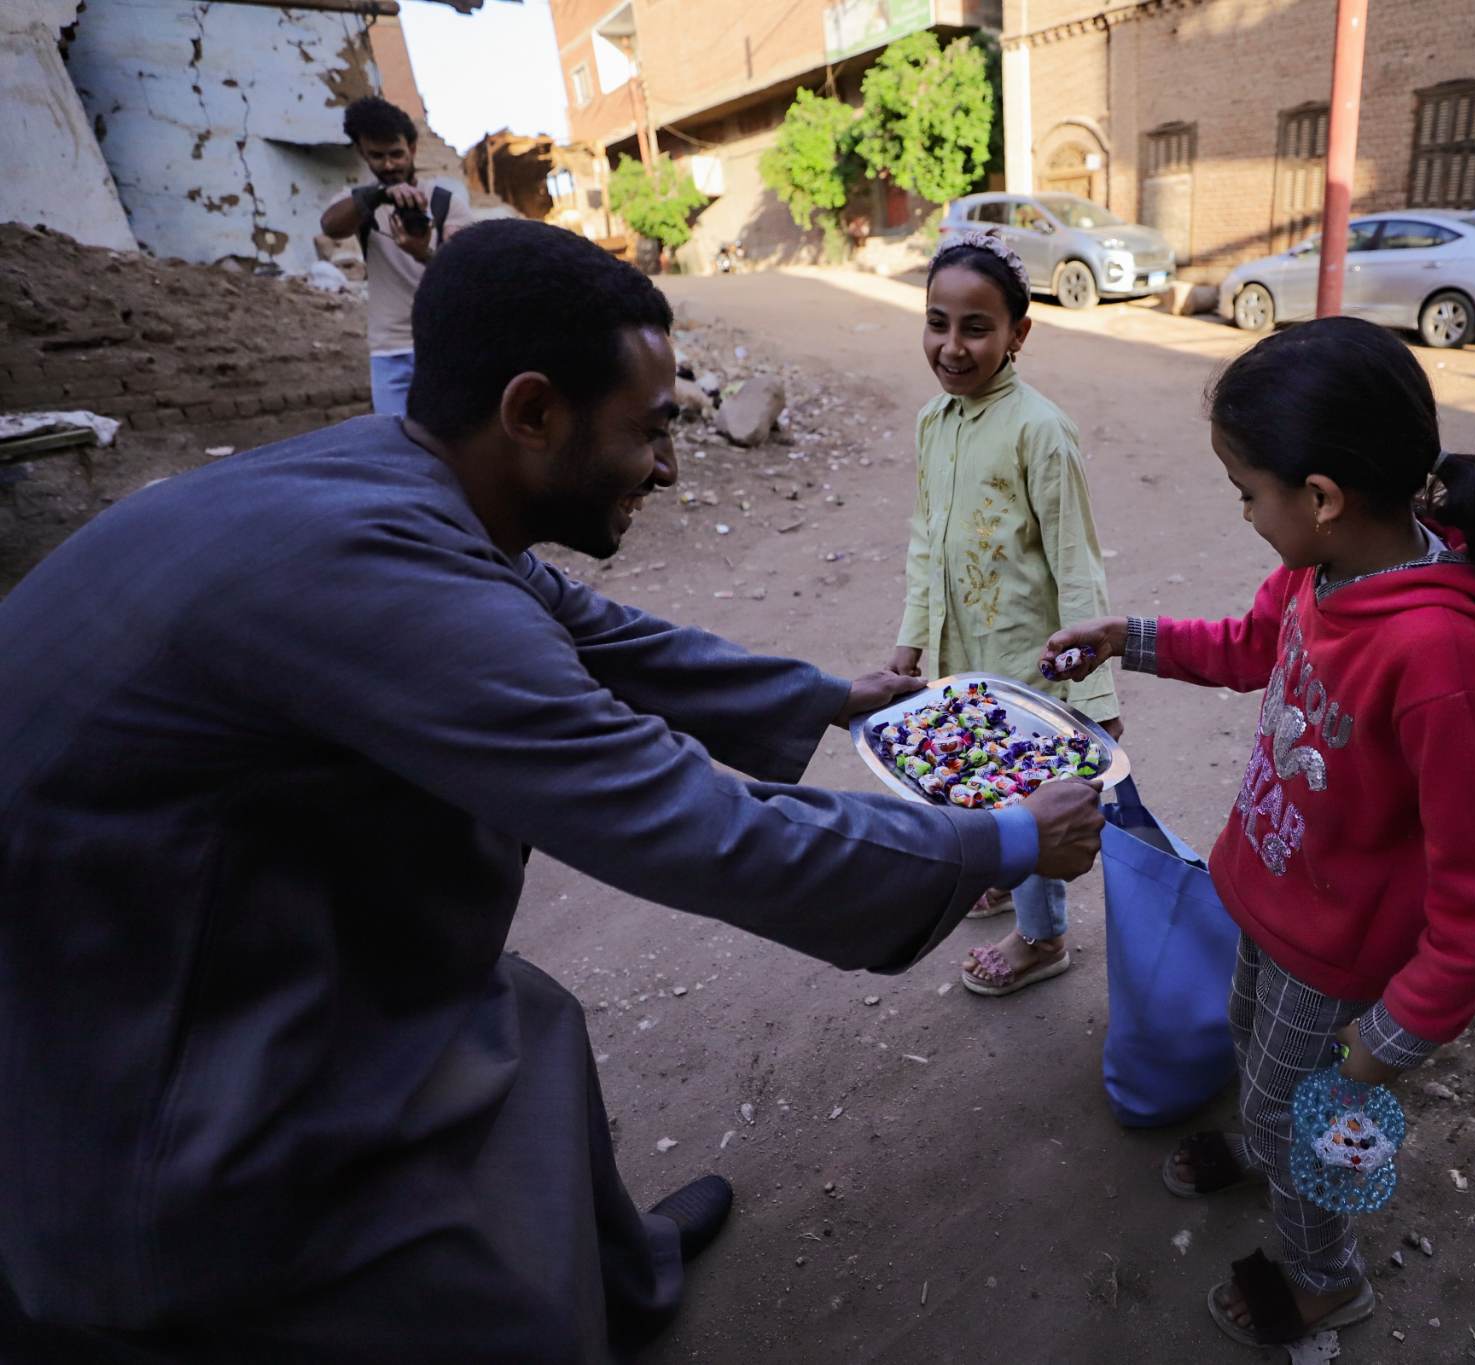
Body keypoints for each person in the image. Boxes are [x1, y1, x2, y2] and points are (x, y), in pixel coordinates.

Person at [0, 219, 1106, 1363]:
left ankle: (627, 1274)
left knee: (530, 1016)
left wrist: (835, 696)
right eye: (651, 430)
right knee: (471, 1241)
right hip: (131, 1037)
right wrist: (999, 842)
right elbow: (694, 826)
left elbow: (601, 634)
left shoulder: (401, 481)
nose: (669, 467)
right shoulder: (392, 585)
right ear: (533, 413)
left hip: (202, 901)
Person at [1042, 316, 1475, 1349]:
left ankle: (1323, 1277)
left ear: (1322, 498)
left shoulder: (1439, 662)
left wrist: (1384, 1047)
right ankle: (1261, 1149)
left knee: (1318, 1124)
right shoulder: (1320, 571)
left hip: (1342, 960)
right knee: (1256, 1059)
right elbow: (1252, 646)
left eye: (1246, 493)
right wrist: (1128, 639)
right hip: (1272, 902)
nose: (1246, 514)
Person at [887, 232, 1123, 999]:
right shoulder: (934, 421)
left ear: (1020, 333)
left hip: (1030, 671)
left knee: (1025, 795)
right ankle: (998, 872)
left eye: (976, 327)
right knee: (972, 780)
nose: (952, 346)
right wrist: (910, 638)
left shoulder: (1041, 431)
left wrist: (1093, 697)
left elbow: (1077, 564)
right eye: (937, 322)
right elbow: (929, 538)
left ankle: (1043, 934)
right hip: (963, 657)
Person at [318, 95, 472, 418]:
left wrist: (423, 253)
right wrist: (377, 196)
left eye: (396, 154)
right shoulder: (360, 202)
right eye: (377, 156)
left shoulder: (445, 202)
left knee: (450, 438)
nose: (388, 165)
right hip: (388, 348)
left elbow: (462, 271)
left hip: (443, 342)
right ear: (362, 154)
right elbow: (331, 226)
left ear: (412, 149)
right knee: (395, 444)